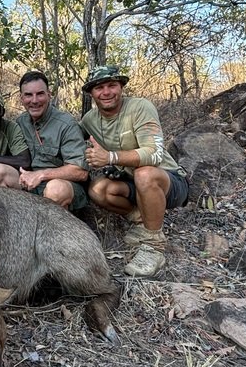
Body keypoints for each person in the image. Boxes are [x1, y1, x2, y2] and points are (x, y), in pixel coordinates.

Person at [81, 65, 189, 278]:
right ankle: (142, 221)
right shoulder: (88, 121)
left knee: (145, 174)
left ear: (121, 87)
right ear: (91, 93)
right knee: (98, 189)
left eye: (112, 85)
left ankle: (154, 246)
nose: (106, 92)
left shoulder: (140, 107)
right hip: (130, 182)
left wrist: (110, 157)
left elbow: (155, 154)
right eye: (99, 88)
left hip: (167, 180)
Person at [13, 70, 89, 210]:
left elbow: (80, 172)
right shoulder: (19, 122)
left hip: (62, 185)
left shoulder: (66, 124)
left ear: (49, 95)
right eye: (28, 95)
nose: (34, 100)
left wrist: (41, 175)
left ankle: (56, 229)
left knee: (55, 189)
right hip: (29, 184)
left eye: (40, 94)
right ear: (21, 98)